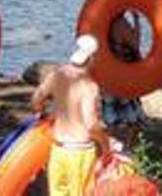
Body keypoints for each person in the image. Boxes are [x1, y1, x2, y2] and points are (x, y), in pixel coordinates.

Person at [32, 34, 112, 196]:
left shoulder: (57, 74)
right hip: (80, 153)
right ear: (91, 58)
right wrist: (105, 145)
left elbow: (37, 97)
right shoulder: (89, 86)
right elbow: (90, 125)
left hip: (58, 149)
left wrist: (42, 113)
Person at [101, 13, 146, 144]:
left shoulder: (104, 21)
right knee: (133, 118)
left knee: (111, 115)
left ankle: (111, 149)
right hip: (123, 74)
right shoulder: (120, 23)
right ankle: (129, 147)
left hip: (108, 74)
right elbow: (135, 43)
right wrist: (137, 19)